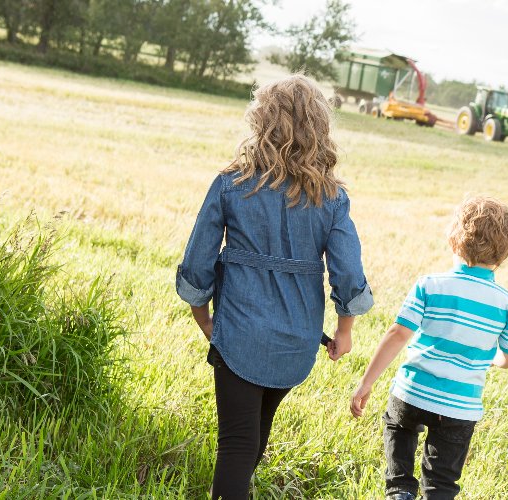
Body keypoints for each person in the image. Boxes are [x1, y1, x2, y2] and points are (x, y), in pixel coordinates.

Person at [175, 74, 374, 499]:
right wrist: (344, 332)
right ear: (318, 128)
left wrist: (203, 317)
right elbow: (348, 274)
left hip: (240, 333)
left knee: (236, 445)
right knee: (252, 441)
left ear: (261, 121)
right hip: (296, 340)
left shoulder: (231, 183)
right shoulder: (332, 197)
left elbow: (197, 262)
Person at [349, 196, 508, 500]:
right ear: (505, 254)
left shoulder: (430, 285)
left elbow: (397, 334)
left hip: (412, 392)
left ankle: (400, 490)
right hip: (460, 407)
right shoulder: (507, 305)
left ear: (454, 241)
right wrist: (494, 359)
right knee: (442, 484)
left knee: (399, 428)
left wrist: (366, 383)